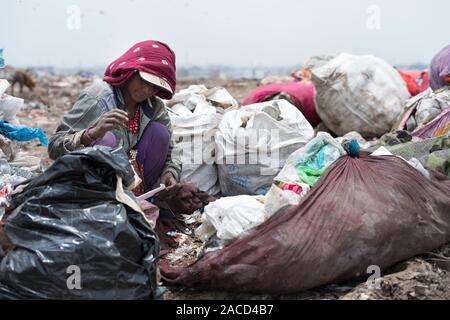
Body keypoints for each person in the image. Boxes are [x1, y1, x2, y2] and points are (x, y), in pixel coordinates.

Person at [48, 40, 181, 192]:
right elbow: (54, 147)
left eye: (154, 87)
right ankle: (102, 202)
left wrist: (170, 172)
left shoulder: (154, 107)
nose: (146, 90)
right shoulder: (97, 98)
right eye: (144, 80)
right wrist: (90, 134)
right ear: (131, 72)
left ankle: (142, 198)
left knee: (160, 133)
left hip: (134, 183)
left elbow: (171, 148)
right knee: (106, 139)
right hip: (93, 187)